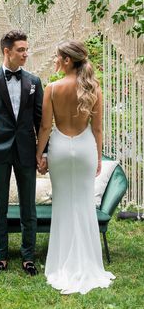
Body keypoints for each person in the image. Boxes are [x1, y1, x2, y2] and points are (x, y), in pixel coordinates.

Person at [36, 40, 115, 294]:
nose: (56, 61)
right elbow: (98, 128)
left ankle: (60, 262)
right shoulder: (93, 88)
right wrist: (99, 157)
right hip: (84, 150)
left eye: (58, 57)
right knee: (83, 203)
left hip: (59, 148)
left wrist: (40, 153)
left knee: (63, 204)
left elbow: (46, 127)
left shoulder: (52, 88)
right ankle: (89, 262)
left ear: (68, 60)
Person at [0, 30, 47, 275]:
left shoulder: (34, 82)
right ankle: (1, 256)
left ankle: (28, 257)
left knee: (29, 207)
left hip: (26, 151)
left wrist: (42, 152)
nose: (26, 54)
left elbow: (40, 120)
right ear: (7, 51)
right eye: (21, 50)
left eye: (27, 49)